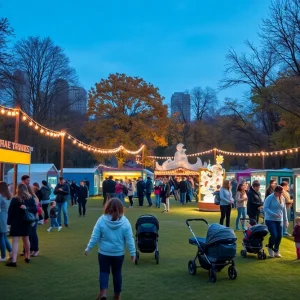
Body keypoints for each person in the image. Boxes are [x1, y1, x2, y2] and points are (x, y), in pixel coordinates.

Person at [84, 198, 136, 300]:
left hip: (104, 253)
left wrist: (88, 248)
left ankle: (103, 292)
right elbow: (130, 239)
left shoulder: (101, 220)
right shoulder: (125, 222)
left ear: (107, 207)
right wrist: (132, 253)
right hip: (118, 254)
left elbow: (95, 236)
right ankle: (117, 295)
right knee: (117, 273)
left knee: (104, 272)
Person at [6, 184, 37, 267]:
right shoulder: (30, 199)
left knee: (15, 241)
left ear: (17, 190)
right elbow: (35, 209)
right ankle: (28, 257)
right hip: (26, 222)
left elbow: (10, 212)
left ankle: (14, 261)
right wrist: (27, 207)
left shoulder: (15, 199)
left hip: (16, 222)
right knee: (26, 239)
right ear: (26, 189)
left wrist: (9, 222)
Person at [264, 185, 288, 258]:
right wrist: (273, 214)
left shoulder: (282, 198)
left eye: (282, 192)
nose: (281, 194)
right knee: (274, 234)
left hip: (279, 219)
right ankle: (270, 247)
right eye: (279, 192)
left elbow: (284, 210)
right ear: (275, 191)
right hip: (270, 219)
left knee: (280, 235)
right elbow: (265, 208)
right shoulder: (270, 198)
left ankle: (276, 250)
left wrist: (286, 220)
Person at [0, 182, 12, 262]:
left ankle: (3, 256)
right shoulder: (9, 196)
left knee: (1, 237)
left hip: (1, 217)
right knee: (4, 237)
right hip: (5, 217)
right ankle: (11, 252)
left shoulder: (0, 196)